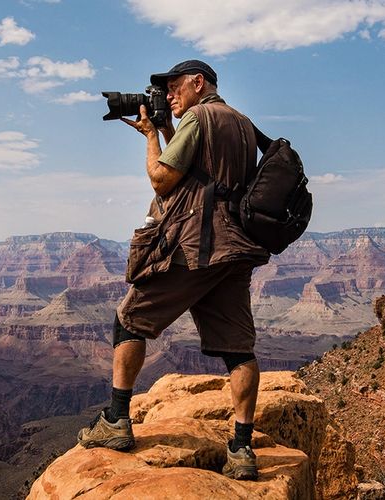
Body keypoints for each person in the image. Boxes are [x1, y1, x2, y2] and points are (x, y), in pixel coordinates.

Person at [77, 60, 269, 481]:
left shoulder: (199, 116)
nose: (168, 95)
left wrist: (149, 138)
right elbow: (207, 173)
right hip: (235, 249)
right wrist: (168, 132)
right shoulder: (241, 122)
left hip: (196, 247)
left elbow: (163, 179)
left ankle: (116, 421)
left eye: (174, 86)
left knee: (129, 320)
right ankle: (241, 448)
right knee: (238, 348)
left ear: (198, 83)